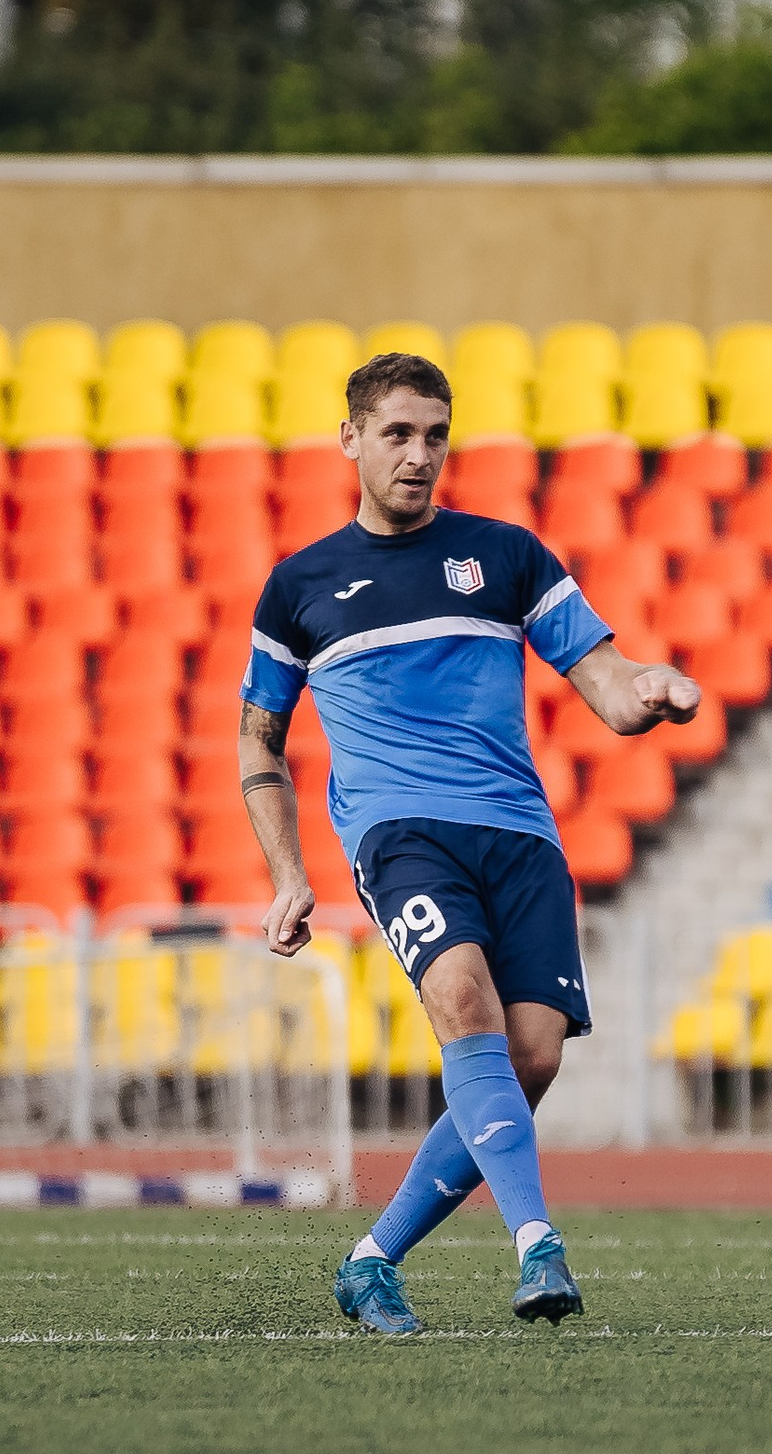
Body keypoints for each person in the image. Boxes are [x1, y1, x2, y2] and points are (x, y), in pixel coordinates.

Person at [236, 352, 700, 1334]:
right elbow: (259, 742)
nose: (418, 455)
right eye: (398, 434)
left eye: (435, 435)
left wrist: (647, 692)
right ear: (351, 438)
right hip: (398, 832)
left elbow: (607, 683)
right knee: (458, 996)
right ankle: (539, 1246)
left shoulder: (505, 554)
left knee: (530, 1058)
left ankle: (371, 1262)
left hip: (520, 835)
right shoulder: (298, 587)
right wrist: (288, 876)